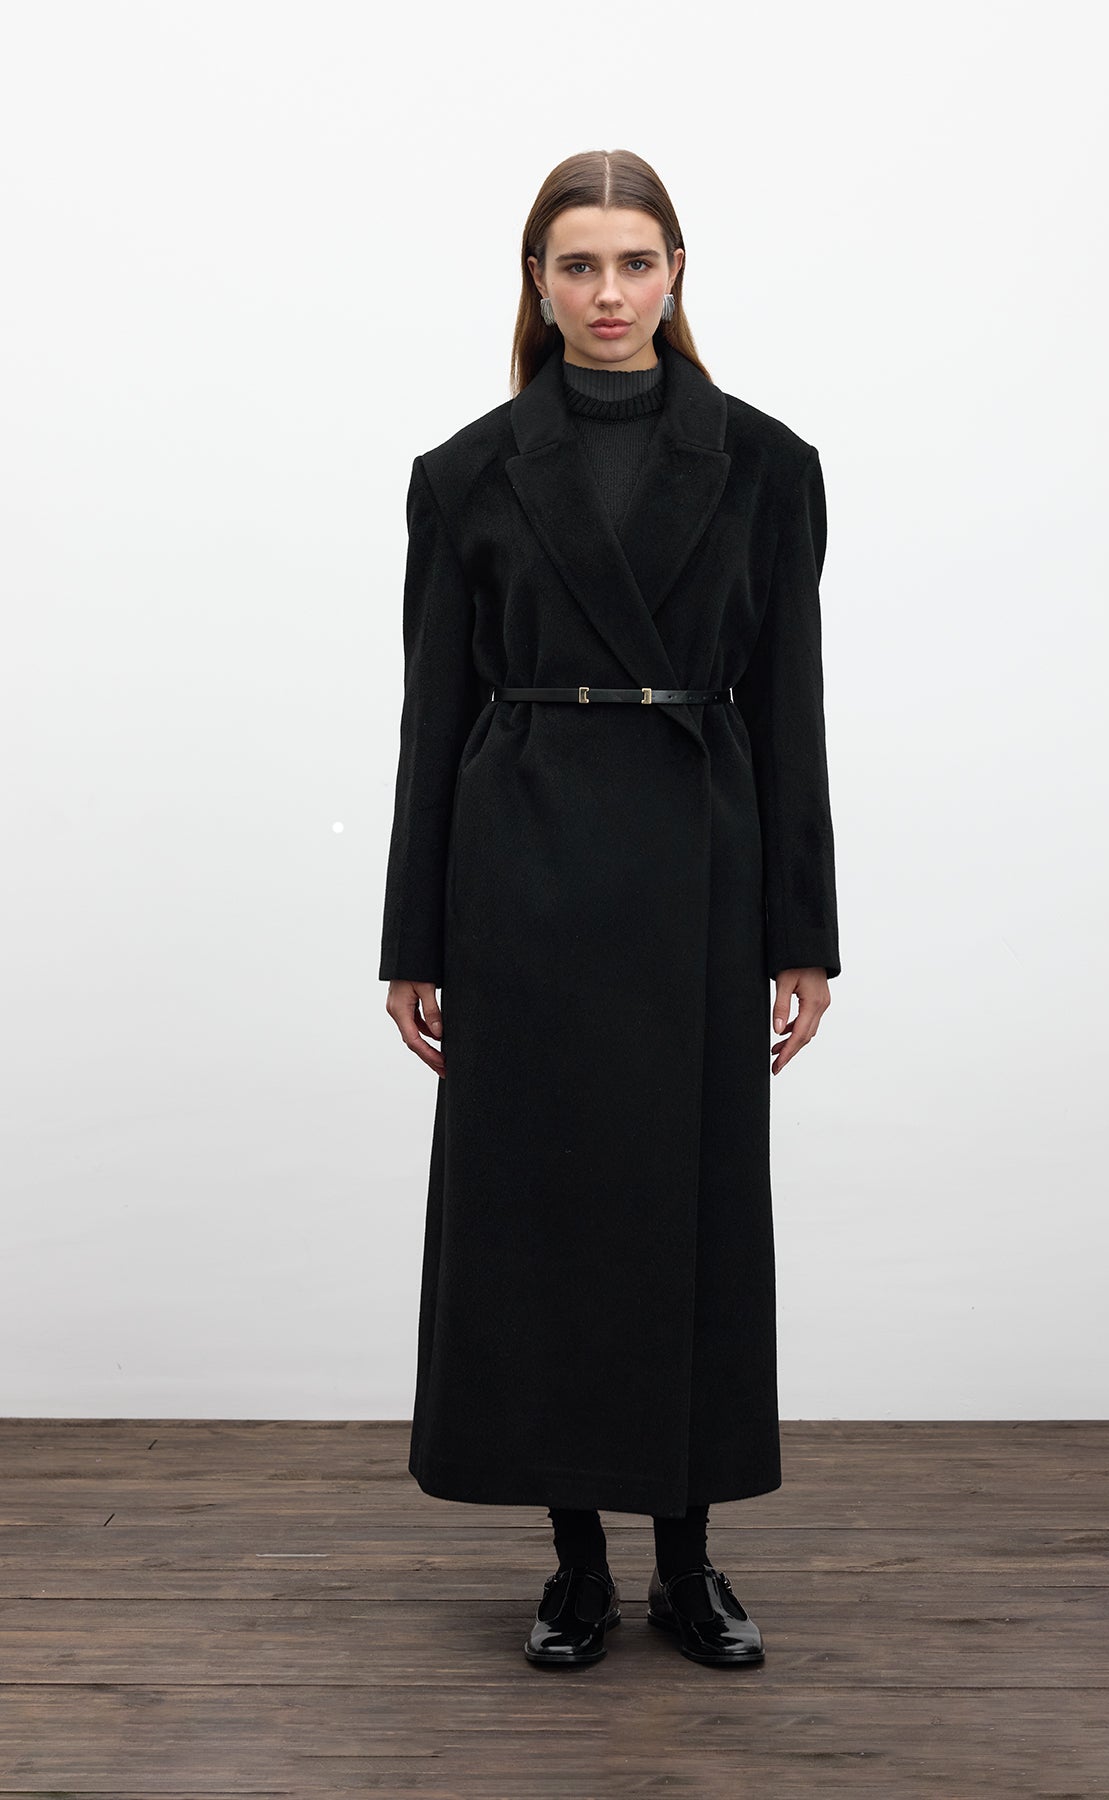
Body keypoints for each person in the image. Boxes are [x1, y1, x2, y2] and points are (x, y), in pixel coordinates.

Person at [380, 148, 839, 1669]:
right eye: (577, 264)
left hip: (697, 873)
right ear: (537, 281)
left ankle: (688, 1560)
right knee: (544, 1217)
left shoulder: (766, 464)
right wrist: (413, 942)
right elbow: (431, 718)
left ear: (676, 273)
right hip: (519, 878)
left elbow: (791, 713)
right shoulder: (465, 474)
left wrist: (802, 931)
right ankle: (576, 1562)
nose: (608, 293)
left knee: (692, 1212)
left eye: (635, 262)